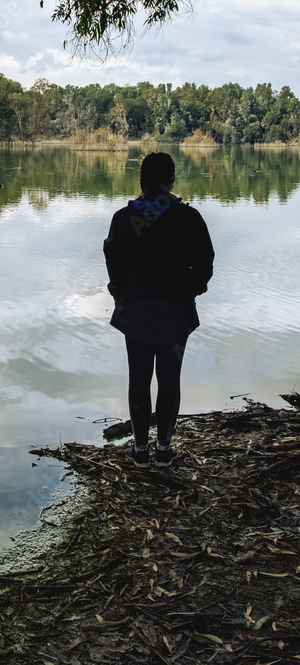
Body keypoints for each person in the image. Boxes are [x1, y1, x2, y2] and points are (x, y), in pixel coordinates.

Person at [103, 152, 214, 468]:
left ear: (141, 181)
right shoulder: (189, 218)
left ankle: (140, 451)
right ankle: (164, 449)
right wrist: (191, 290)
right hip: (175, 314)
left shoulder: (125, 219)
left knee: (138, 381)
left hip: (135, 313)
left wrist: (120, 296)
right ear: (172, 180)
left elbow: (114, 263)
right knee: (170, 381)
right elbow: (204, 263)